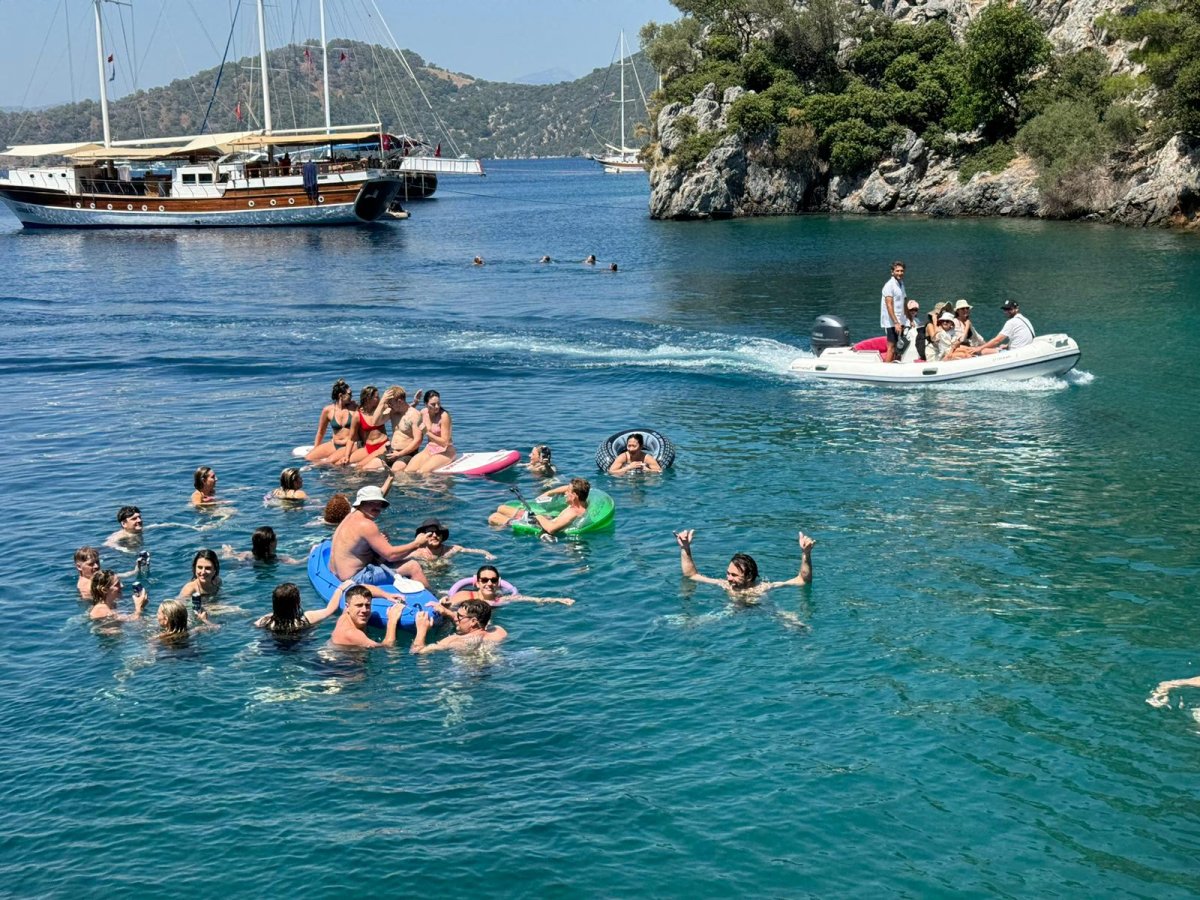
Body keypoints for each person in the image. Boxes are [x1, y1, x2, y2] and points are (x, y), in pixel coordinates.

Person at [328, 485, 431, 586]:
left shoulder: (350, 516)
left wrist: (390, 480)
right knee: (413, 566)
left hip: (335, 573)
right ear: (360, 503)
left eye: (381, 504)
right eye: (371, 502)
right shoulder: (367, 525)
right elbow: (391, 556)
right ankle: (433, 599)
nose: (377, 507)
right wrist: (417, 544)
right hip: (354, 579)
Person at [674, 528, 815, 595]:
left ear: (748, 576)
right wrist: (685, 548)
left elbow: (802, 580)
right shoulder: (725, 585)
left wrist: (806, 554)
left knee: (788, 619)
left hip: (760, 609)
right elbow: (691, 575)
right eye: (728, 573)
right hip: (732, 612)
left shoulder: (762, 588)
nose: (728, 578)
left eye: (734, 575)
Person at [436, 565, 573, 610]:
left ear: (498, 583)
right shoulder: (466, 596)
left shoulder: (500, 600)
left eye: (493, 580)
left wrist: (558, 600)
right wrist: (445, 603)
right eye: (484, 580)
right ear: (477, 583)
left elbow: (534, 600)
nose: (489, 583)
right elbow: (447, 605)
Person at [488, 477, 590, 535]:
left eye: (568, 492)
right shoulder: (579, 503)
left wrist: (539, 517)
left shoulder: (573, 512)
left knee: (493, 517)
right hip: (545, 519)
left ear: (575, 495)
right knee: (501, 508)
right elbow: (574, 488)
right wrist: (551, 492)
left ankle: (503, 530)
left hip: (538, 526)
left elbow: (551, 529)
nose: (565, 494)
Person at [411, 599, 507, 654]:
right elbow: (483, 622)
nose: (456, 618)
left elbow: (417, 652)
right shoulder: (499, 631)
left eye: (459, 616)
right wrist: (447, 612)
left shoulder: (455, 640)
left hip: (465, 678)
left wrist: (421, 629)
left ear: (473, 621)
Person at [254, 581, 342, 636]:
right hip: (302, 649)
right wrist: (340, 588)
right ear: (297, 601)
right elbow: (330, 609)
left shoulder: (265, 621)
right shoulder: (308, 618)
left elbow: (254, 626)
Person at [330, 584, 404, 648]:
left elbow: (363, 587)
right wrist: (392, 621)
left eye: (367, 605)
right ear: (347, 606)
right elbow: (387, 647)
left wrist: (387, 595)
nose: (364, 610)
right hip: (341, 662)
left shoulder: (347, 613)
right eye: (359, 605)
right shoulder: (352, 634)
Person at [306, 379, 357, 463]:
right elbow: (321, 431)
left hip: (350, 445)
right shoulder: (328, 410)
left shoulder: (354, 407)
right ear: (341, 395)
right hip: (335, 444)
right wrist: (316, 448)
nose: (352, 396)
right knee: (309, 457)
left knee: (330, 462)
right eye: (349, 394)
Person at [407, 389, 456, 473]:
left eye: (438, 403)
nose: (437, 406)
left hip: (445, 451)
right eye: (433, 404)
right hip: (429, 449)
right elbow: (407, 412)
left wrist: (427, 432)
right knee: (408, 470)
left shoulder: (444, 416)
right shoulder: (423, 412)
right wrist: (415, 403)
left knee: (422, 471)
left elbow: (445, 442)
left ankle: (434, 485)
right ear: (426, 404)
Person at [339, 385, 388, 467]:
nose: (379, 399)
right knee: (341, 464)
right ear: (368, 399)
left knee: (360, 466)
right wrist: (346, 456)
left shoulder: (380, 409)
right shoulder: (357, 415)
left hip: (383, 445)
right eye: (376, 397)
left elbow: (398, 412)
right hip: (368, 447)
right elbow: (351, 439)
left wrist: (413, 404)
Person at [407, 518, 496, 562]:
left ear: (442, 536)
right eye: (430, 533)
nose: (434, 535)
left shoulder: (451, 549)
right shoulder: (416, 553)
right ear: (423, 536)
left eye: (438, 532)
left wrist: (488, 554)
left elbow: (474, 551)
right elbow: (394, 558)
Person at [378, 386, 423, 474]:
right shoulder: (393, 412)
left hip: (407, 453)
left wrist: (399, 454)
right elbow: (375, 422)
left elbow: (418, 440)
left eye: (391, 403)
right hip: (391, 452)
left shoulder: (415, 415)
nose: (389, 406)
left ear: (399, 401)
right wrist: (382, 401)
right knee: (366, 467)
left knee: (394, 472)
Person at [75, 546, 145, 599]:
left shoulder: (96, 577)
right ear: (79, 567)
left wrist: (136, 570)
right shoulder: (87, 586)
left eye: (97, 562)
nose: (96, 566)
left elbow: (117, 576)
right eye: (91, 564)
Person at [221, 526, 303, 565]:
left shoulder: (247, 555)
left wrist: (228, 551)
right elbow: (298, 563)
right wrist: (313, 552)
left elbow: (230, 556)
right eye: (275, 538)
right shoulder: (279, 559)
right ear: (271, 543)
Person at [880, 260, 907, 363]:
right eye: (897, 271)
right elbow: (889, 305)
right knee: (891, 347)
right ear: (892, 272)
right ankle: (885, 369)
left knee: (899, 347)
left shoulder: (901, 283)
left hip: (901, 320)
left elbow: (904, 301)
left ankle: (894, 365)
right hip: (891, 322)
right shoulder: (889, 286)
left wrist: (909, 318)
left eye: (902, 271)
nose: (900, 273)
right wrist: (895, 323)